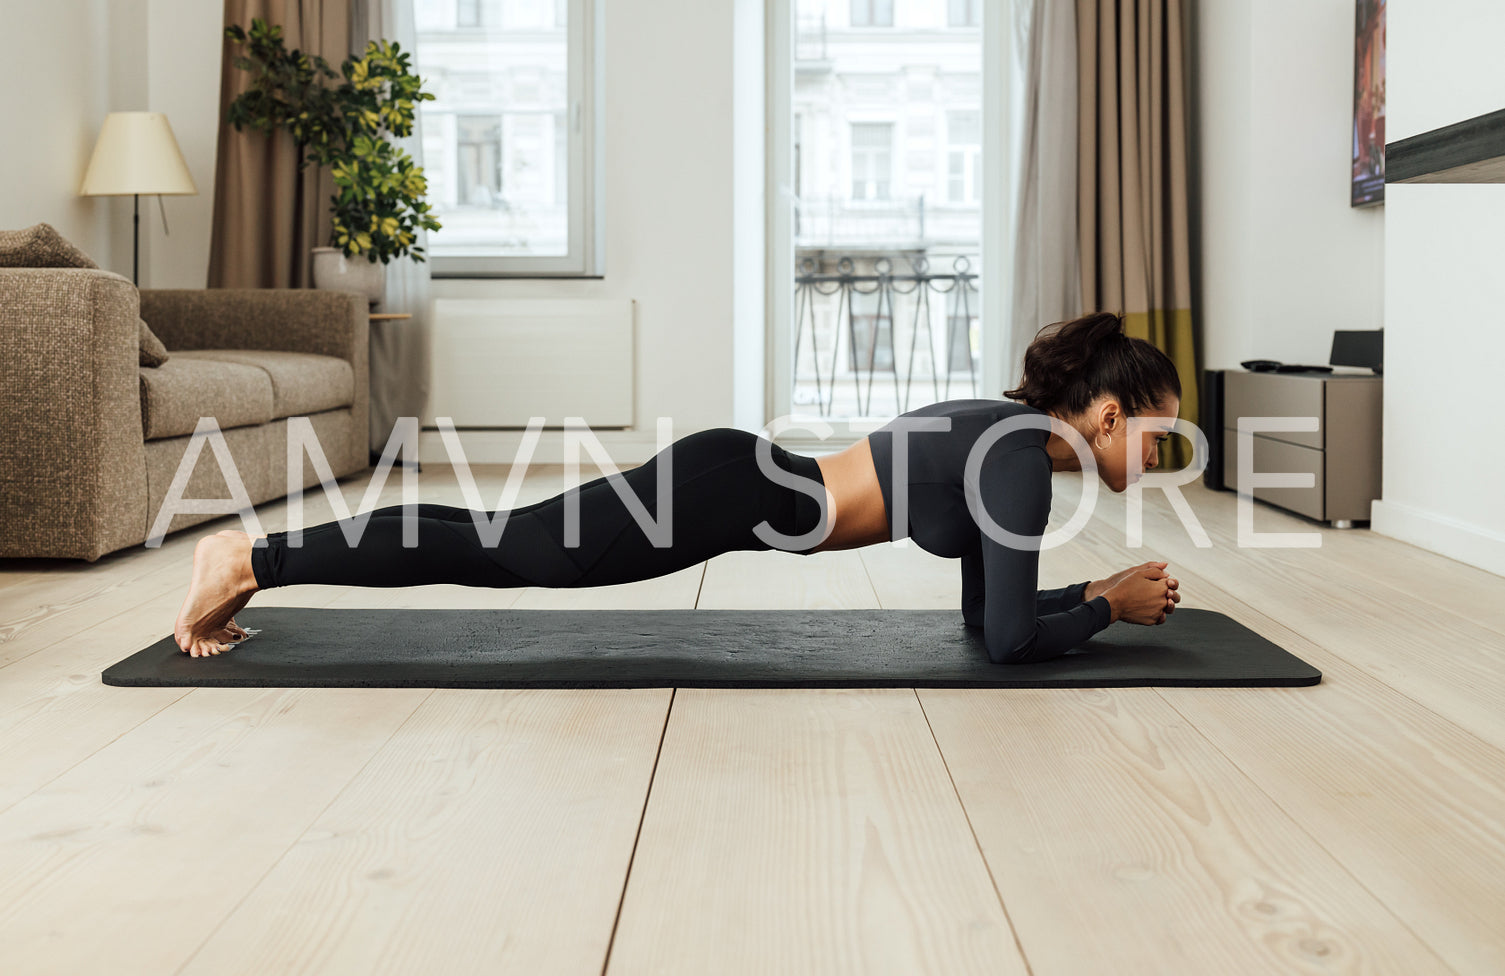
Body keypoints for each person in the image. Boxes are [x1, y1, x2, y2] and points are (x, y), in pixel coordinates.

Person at [173, 311, 1182, 661]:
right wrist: (1103, 604)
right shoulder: (1013, 463)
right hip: (721, 491)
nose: (1160, 454)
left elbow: (985, 617)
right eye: (1157, 433)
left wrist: (1090, 598)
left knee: (497, 534)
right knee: (503, 551)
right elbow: (1008, 644)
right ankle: (253, 555)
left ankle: (264, 555)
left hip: (728, 472)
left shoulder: (1001, 435)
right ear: (1104, 416)